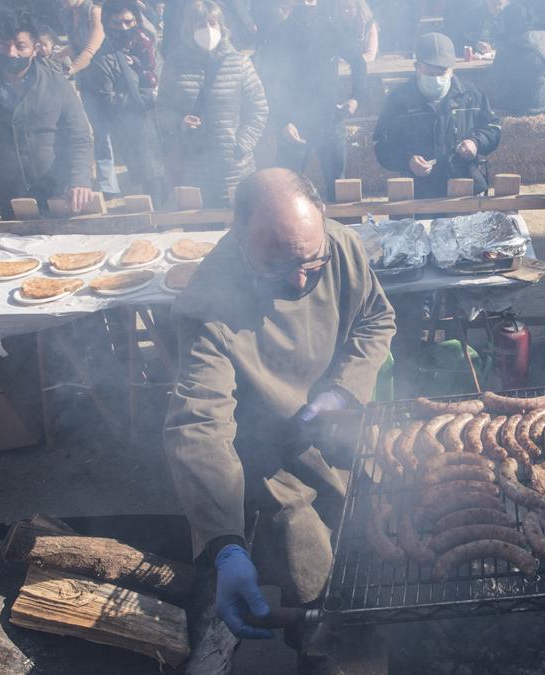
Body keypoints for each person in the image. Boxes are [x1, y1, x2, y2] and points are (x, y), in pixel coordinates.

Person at [163, 167, 395, 671]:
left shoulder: (338, 247)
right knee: (307, 560)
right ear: (240, 237)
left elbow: (376, 318)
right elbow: (200, 424)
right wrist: (223, 542)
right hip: (263, 450)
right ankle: (321, 655)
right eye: (277, 266)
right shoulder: (207, 306)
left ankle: (372, 632)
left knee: (372, 535)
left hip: (331, 422)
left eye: (311, 262)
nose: (299, 279)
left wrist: (344, 391)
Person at [0, 10, 94, 220]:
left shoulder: (56, 83)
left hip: (60, 191)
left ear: (35, 48)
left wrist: (80, 178)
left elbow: (80, 136)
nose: (11, 53)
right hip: (12, 191)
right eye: (2, 44)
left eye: (20, 46)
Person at [157, 0, 267, 206]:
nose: (207, 30)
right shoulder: (174, 64)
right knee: (200, 229)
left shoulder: (239, 62)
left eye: (212, 23)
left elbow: (258, 108)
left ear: (221, 26)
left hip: (235, 167)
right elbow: (162, 108)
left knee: (239, 225)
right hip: (193, 166)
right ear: (189, 30)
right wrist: (178, 121)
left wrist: (241, 144)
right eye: (200, 25)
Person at [257, 0, 366, 200]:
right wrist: (283, 122)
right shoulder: (278, 34)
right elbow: (266, 80)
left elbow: (359, 62)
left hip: (330, 119)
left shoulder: (330, 28)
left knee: (338, 189)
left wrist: (355, 98)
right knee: (287, 191)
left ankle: (341, 231)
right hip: (294, 125)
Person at [373, 32, 502, 199]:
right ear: (417, 68)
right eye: (430, 73)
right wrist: (407, 161)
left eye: (442, 72)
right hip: (418, 194)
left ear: (451, 69)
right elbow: (382, 144)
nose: (436, 78)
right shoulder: (398, 101)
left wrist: (475, 142)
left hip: (464, 188)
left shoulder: (471, 96)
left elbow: (493, 128)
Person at [78, 0, 164, 201]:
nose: (123, 28)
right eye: (116, 23)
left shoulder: (147, 46)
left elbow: (162, 74)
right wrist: (145, 97)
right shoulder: (102, 60)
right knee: (153, 185)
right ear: (106, 24)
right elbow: (107, 101)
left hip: (162, 123)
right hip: (135, 131)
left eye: (128, 22)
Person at [491, 2, 545, 115]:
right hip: (544, 101)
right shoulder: (543, 36)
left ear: (507, 22)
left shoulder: (505, 46)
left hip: (515, 106)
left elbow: (496, 76)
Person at [442, 0, 507, 55]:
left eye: (500, 4)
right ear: (487, 1)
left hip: (495, 57)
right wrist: (475, 44)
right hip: (473, 57)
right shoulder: (473, 14)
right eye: (494, 3)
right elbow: (459, 36)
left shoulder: (505, 15)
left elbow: (505, 38)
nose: (498, 7)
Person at [60, 0, 106, 75]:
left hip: (104, 71)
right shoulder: (68, 14)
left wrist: (70, 70)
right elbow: (75, 47)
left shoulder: (95, 13)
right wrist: (53, 57)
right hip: (84, 73)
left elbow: (92, 50)